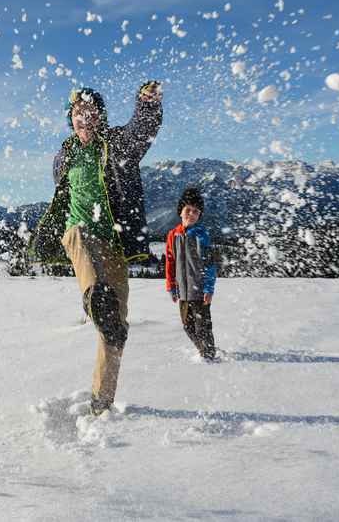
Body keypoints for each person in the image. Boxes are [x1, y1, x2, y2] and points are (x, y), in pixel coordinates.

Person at [32, 81, 163, 415]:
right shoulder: (65, 155)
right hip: (78, 232)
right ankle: (94, 295)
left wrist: (146, 106)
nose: (83, 117)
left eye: (89, 111)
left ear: (100, 116)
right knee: (83, 252)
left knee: (115, 328)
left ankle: (101, 404)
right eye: (77, 112)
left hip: (114, 242)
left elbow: (140, 131)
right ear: (71, 119)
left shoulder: (117, 144)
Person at [165, 187, 218, 361]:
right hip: (183, 292)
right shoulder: (173, 235)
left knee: (202, 326)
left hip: (200, 291)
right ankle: (202, 349)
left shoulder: (202, 236)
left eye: (196, 211)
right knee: (187, 326)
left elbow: (210, 264)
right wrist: (171, 286)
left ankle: (209, 356)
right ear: (180, 211)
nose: (191, 214)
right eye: (188, 209)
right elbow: (170, 262)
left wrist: (209, 288)